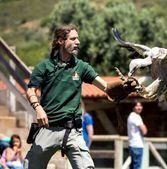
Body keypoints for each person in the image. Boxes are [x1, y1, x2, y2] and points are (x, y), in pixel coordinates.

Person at [24, 24, 137, 169]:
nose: (78, 42)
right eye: (73, 38)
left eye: (78, 39)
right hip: (47, 129)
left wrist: (121, 86)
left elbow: (106, 87)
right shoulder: (44, 67)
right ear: (60, 40)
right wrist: (38, 108)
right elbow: (31, 91)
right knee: (29, 166)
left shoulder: (82, 67)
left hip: (73, 132)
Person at [127, 102, 147, 169]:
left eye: (140, 106)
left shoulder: (131, 116)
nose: (139, 108)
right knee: (137, 166)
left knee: (132, 166)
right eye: (137, 106)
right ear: (133, 107)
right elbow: (144, 131)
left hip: (132, 144)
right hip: (137, 145)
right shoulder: (135, 116)